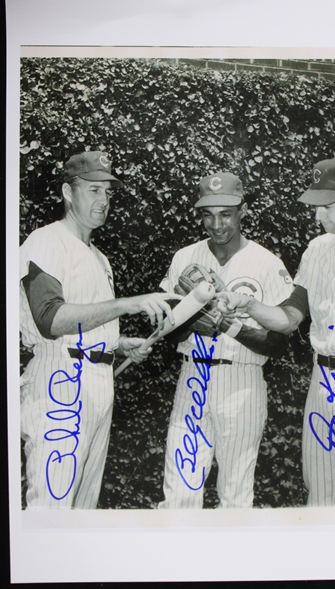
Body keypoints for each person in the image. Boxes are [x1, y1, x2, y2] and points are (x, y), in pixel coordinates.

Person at [218, 156, 335, 507]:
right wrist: (248, 305)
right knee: (321, 501)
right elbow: (290, 317)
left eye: (327, 205)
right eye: (315, 205)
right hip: (323, 383)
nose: (318, 215)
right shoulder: (317, 250)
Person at [20, 151, 178, 509]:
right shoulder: (46, 240)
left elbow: (85, 324)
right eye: (93, 190)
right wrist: (126, 303)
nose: (103, 200)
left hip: (97, 381)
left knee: (81, 513)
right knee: (53, 508)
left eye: (108, 192)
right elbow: (50, 319)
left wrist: (119, 344)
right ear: (67, 191)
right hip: (59, 382)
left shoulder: (99, 258)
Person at [158, 172, 294, 508]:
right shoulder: (183, 258)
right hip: (193, 376)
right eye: (208, 214)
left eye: (226, 214)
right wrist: (191, 317)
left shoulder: (266, 263)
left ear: (243, 210)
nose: (216, 224)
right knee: (179, 493)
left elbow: (280, 344)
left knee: (235, 495)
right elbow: (166, 331)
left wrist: (229, 327)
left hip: (242, 381)